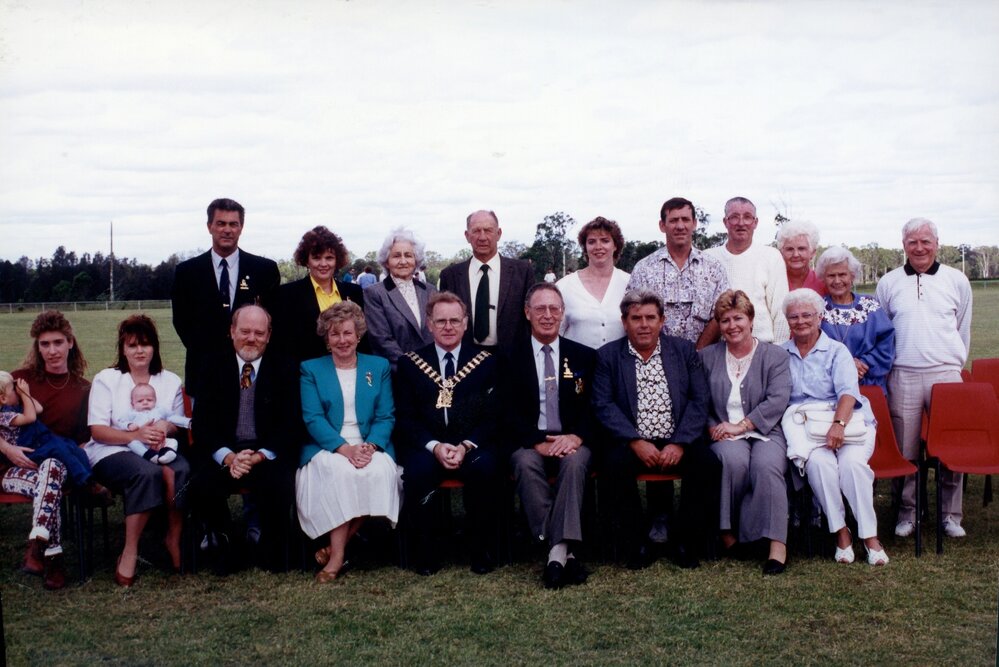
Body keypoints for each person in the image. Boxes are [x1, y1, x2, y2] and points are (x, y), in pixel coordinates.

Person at [592, 289, 721, 570]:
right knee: (612, 466)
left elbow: (699, 400)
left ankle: (684, 540)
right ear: (624, 321)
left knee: (707, 464)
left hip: (677, 438)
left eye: (651, 317)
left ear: (662, 321)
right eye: (636, 318)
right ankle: (637, 541)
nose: (644, 324)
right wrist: (635, 441)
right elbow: (603, 405)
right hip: (632, 440)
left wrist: (680, 443)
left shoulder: (683, 351)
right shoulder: (608, 356)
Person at [876, 218, 972, 539]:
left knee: (951, 447)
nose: (919, 248)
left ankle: (951, 515)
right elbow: (884, 331)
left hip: (946, 374)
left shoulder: (956, 280)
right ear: (903, 244)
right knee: (905, 450)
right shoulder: (888, 283)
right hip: (902, 374)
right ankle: (907, 513)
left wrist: (953, 365)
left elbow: (962, 328)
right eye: (912, 242)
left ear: (937, 243)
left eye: (925, 241)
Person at [393, 291, 501, 575]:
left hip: (471, 446)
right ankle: (426, 553)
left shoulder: (486, 362)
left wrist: (465, 445)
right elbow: (404, 418)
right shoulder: (410, 364)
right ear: (429, 324)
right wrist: (434, 446)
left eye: (455, 320)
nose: (448, 327)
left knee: (486, 469)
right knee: (417, 472)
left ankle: (481, 550)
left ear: (466, 323)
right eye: (441, 321)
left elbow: (493, 416)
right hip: (427, 446)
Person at [780, 289, 888, 566]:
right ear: (787, 320)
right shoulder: (780, 354)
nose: (801, 321)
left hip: (848, 422)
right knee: (820, 467)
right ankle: (841, 533)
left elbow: (848, 394)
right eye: (794, 316)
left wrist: (838, 426)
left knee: (853, 467)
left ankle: (870, 537)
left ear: (820, 317)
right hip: (807, 428)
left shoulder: (837, 351)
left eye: (807, 315)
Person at [191, 305, 300, 573]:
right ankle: (224, 541)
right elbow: (202, 424)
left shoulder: (285, 367)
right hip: (225, 451)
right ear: (231, 331)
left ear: (269, 335)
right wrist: (229, 457)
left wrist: (259, 455)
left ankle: (271, 544)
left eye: (259, 333)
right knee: (200, 481)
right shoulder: (211, 365)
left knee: (280, 482)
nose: (252, 338)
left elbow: (291, 424)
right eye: (245, 331)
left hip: (265, 452)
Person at [296, 302, 400, 583]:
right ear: (326, 339)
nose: (342, 340)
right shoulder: (311, 369)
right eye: (335, 334)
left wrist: (370, 447)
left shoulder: (377, 366)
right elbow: (313, 418)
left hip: (369, 444)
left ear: (358, 335)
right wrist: (345, 449)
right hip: (328, 445)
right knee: (341, 473)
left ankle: (333, 550)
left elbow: (386, 414)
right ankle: (338, 558)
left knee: (377, 471)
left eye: (347, 333)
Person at [84, 315, 191, 586]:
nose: (139, 351)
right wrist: (136, 434)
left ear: (155, 347)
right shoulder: (107, 379)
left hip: (159, 447)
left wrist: (162, 429)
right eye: (132, 345)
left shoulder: (169, 380)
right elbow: (98, 430)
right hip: (112, 450)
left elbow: (175, 424)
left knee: (181, 470)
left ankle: (172, 539)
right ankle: (130, 550)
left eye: (145, 344)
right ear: (123, 349)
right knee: (145, 474)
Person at [506, 283, 595, 589]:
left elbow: (594, 407)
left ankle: (554, 550)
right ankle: (564, 551)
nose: (547, 315)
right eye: (540, 309)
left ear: (562, 314)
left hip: (572, 439)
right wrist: (535, 441)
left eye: (554, 308)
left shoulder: (584, 356)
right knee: (524, 463)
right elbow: (505, 411)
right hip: (530, 440)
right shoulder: (509, 357)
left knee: (574, 464)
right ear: (527, 313)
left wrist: (577, 438)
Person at [699, 291, 791, 575]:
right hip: (721, 430)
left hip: (766, 429)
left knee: (766, 466)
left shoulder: (775, 355)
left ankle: (777, 545)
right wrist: (712, 426)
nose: (732, 325)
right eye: (724, 320)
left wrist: (743, 426)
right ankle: (729, 536)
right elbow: (698, 399)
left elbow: (778, 398)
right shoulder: (706, 356)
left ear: (751, 320)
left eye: (738, 318)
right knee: (732, 462)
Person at [172, 197, 280, 398]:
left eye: (233, 224)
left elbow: (272, 323)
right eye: (221, 223)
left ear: (241, 227)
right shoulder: (186, 272)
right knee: (208, 430)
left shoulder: (265, 270)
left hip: (253, 374)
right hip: (205, 375)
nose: (227, 229)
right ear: (209, 226)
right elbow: (182, 324)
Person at [627, 198, 729, 349]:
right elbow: (632, 316)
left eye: (685, 219)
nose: (680, 226)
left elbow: (722, 314)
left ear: (694, 223)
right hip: (656, 362)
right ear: (662, 225)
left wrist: (697, 355)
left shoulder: (713, 268)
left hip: (704, 360)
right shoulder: (644, 269)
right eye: (674, 220)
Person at [439, 210, 534, 353]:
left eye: (488, 230)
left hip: (512, 361)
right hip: (466, 360)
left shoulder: (522, 271)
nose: (482, 237)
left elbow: (530, 319)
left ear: (499, 233)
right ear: (467, 236)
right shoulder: (450, 275)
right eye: (476, 231)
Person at [269, 226, 365, 365]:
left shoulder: (354, 292)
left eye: (329, 258)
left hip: (350, 371)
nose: (323, 264)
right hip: (307, 375)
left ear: (337, 260)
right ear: (307, 261)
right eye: (317, 258)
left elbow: (362, 338)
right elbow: (283, 345)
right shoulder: (287, 295)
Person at [705, 197, 790, 343]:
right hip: (718, 351)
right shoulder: (708, 258)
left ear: (755, 222)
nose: (741, 223)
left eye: (747, 217)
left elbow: (781, 310)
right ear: (725, 222)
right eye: (734, 217)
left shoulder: (771, 256)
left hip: (763, 348)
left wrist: (777, 353)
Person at [817, 247, 894, 391]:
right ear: (823, 278)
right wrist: (845, 365)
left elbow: (886, 344)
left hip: (868, 384)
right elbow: (810, 348)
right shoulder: (817, 308)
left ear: (852, 276)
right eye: (831, 275)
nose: (837, 280)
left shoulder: (870, 305)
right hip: (828, 387)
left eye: (842, 274)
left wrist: (862, 363)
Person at [0, 371, 94, 489]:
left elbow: (39, 408)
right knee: (59, 449)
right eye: (13, 390)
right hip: (31, 450)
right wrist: (24, 393)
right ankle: (83, 480)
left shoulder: (16, 407)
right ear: (3, 398)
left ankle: (90, 478)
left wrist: (25, 395)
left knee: (73, 447)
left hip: (43, 441)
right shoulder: (4, 415)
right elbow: (30, 417)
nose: (17, 391)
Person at [12, 310, 92, 446]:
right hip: (21, 459)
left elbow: (83, 442)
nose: (52, 351)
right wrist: (8, 449)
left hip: (63, 458)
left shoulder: (84, 389)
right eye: (45, 344)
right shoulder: (19, 379)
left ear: (70, 342)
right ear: (38, 347)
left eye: (58, 342)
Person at [363, 228, 437, 368]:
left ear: (416, 260)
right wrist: (412, 367)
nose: (403, 261)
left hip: (433, 372)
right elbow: (381, 340)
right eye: (396, 256)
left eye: (408, 255)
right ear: (386, 261)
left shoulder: (430, 290)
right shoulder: (374, 293)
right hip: (398, 373)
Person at [556, 216, 631, 350]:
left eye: (605, 241)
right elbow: (555, 333)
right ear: (585, 247)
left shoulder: (630, 283)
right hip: (576, 367)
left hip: (619, 368)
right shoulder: (564, 286)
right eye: (591, 242)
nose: (598, 247)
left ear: (615, 245)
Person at [115, 383, 192, 465]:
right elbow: (121, 422)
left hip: (160, 439)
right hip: (141, 441)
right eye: (140, 401)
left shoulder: (159, 410)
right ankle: (148, 455)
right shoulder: (131, 414)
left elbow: (172, 417)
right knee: (132, 443)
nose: (145, 403)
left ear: (155, 401)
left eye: (149, 400)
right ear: (132, 404)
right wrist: (129, 425)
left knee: (173, 442)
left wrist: (187, 422)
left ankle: (167, 453)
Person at [777, 220, 826, 295]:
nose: (796, 254)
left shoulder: (823, 283)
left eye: (801, 249)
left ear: (812, 252)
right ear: (781, 253)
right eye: (790, 249)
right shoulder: (773, 282)